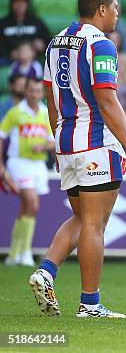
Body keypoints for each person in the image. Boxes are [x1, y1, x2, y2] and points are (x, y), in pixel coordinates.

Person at [29, 0, 126, 319]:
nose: (118, 13)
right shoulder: (102, 45)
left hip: (66, 142)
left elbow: (51, 99)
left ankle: (47, 270)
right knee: (95, 224)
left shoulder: (54, 43)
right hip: (96, 142)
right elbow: (108, 101)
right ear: (101, 10)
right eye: (115, 7)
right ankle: (90, 304)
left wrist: (57, 144)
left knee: (82, 218)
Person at [0, 78, 54, 266]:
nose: (35, 94)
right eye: (32, 90)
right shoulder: (16, 113)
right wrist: (1, 165)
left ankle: (14, 254)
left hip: (38, 165)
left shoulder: (46, 113)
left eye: (38, 91)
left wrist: (44, 147)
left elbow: (52, 140)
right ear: (26, 91)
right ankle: (26, 252)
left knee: (25, 207)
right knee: (33, 205)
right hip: (19, 163)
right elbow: (1, 136)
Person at [0, 0, 50, 65]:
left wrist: (42, 45)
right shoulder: (3, 23)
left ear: (27, 4)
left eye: (22, 3)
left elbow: (49, 40)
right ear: (11, 4)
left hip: (33, 59)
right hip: (9, 59)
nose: (20, 6)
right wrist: (9, 53)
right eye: (16, 2)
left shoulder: (36, 22)